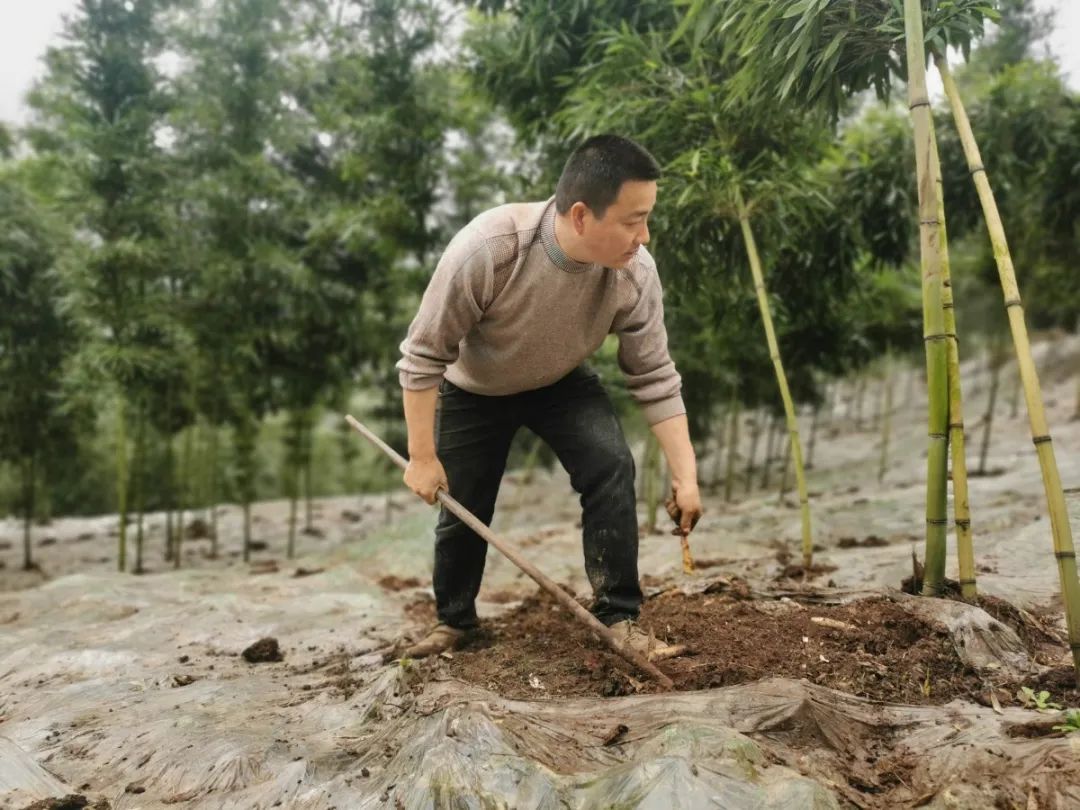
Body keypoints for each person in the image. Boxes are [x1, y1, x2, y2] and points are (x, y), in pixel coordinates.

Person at [395, 134, 702, 661]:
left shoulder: (635, 273)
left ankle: (618, 617)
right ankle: (455, 620)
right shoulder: (491, 249)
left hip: (561, 383)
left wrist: (686, 475)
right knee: (464, 502)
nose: (643, 235)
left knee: (610, 465)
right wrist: (422, 458)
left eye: (647, 218)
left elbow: (653, 374)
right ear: (581, 215)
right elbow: (423, 358)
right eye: (632, 220)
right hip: (476, 389)